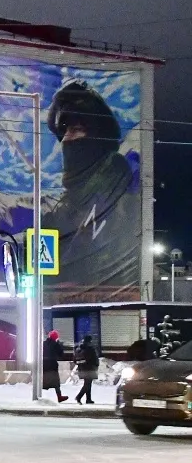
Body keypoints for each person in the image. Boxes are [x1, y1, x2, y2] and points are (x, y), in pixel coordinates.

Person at [44, 81, 140, 297]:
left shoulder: (114, 173)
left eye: (77, 129)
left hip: (105, 294)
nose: (67, 138)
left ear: (97, 136)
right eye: (65, 130)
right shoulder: (69, 201)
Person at [42, 330, 68, 402]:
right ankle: (59, 397)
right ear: (56, 338)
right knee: (56, 382)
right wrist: (60, 346)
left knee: (44, 380)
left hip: (44, 364)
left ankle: (38, 394)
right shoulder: (55, 344)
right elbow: (61, 355)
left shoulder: (43, 343)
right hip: (52, 365)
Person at [74, 334, 100, 404]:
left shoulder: (78, 348)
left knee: (88, 383)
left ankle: (88, 399)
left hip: (81, 368)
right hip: (89, 368)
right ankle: (79, 397)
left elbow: (74, 359)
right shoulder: (90, 348)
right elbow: (93, 358)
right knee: (87, 384)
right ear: (90, 341)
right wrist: (96, 364)